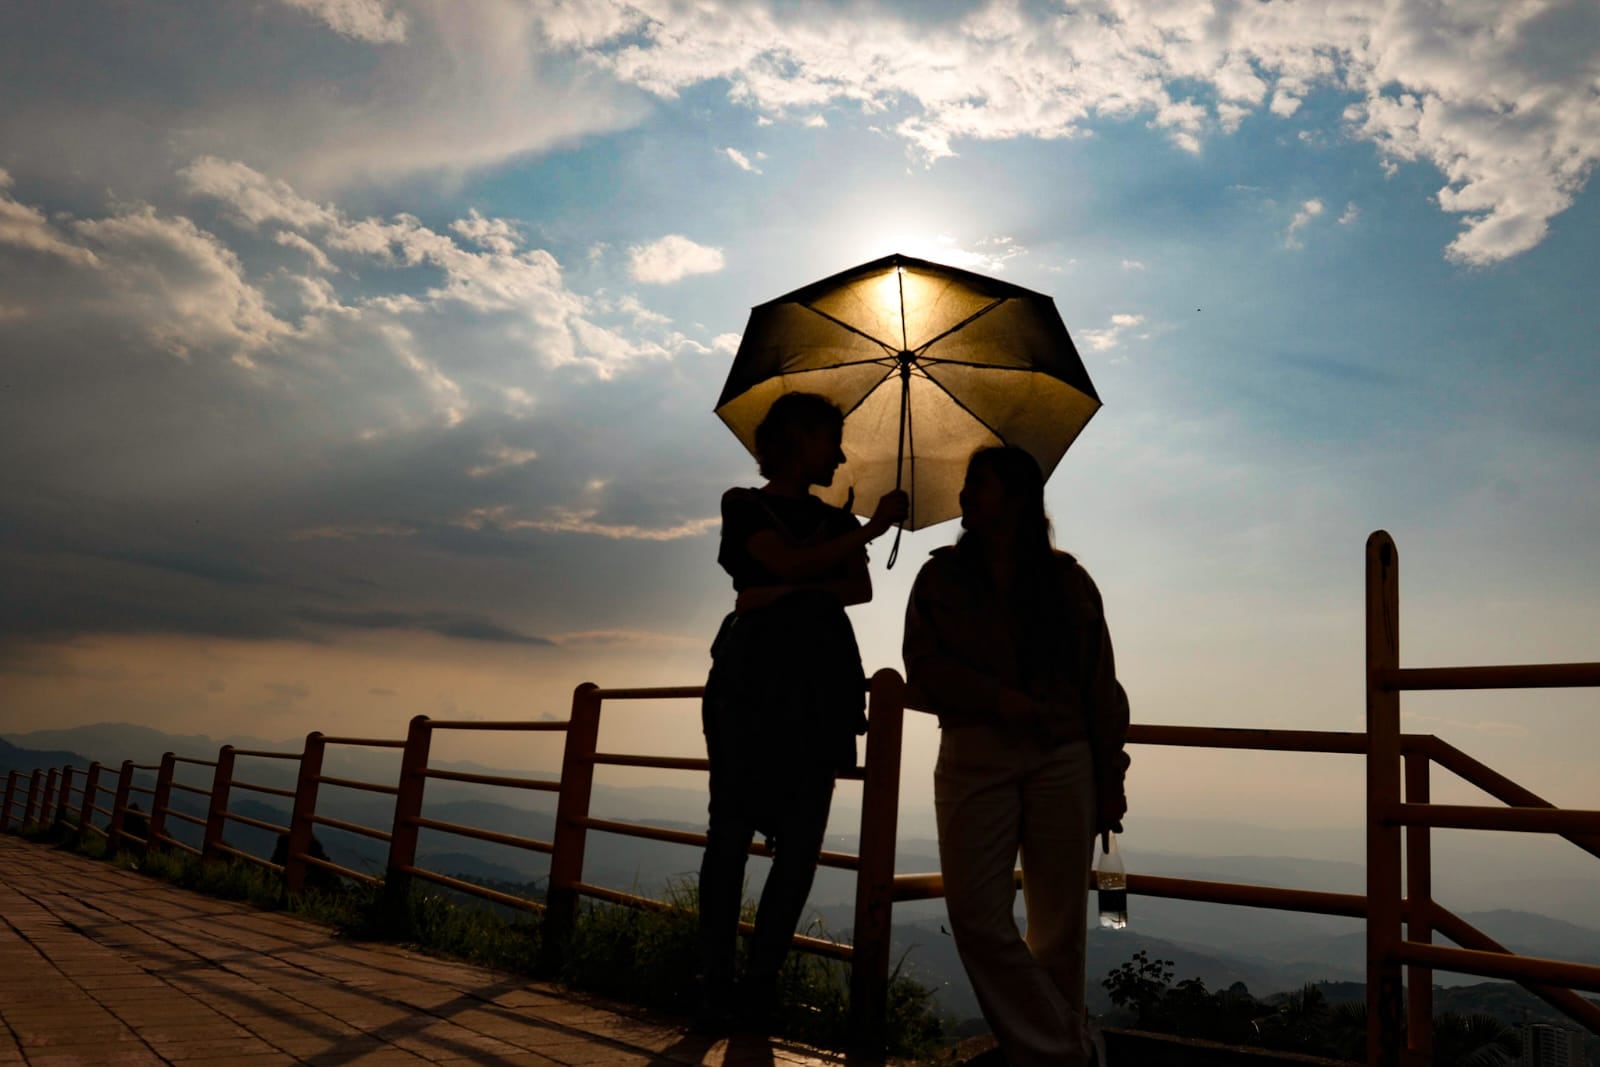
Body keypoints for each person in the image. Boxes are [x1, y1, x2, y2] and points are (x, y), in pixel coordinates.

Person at [902, 445, 1130, 1067]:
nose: (965, 496)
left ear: (1019, 498)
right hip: (976, 751)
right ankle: (1068, 1049)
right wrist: (1002, 701)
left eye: (980, 484)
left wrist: (1111, 776)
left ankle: (1047, 1057)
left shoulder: (1069, 582)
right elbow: (922, 668)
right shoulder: (940, 577)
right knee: (977, 915)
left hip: (1065, 757)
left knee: (1060, 927)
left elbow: (1100, 686)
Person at [697, 391, 909, 1032]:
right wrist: (863, 535)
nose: (841, 454)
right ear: (796, 439)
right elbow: (799, 565)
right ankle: (718, 983)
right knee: (732, 834)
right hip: (757, 687)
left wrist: (777, 591)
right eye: (830, 439)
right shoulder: (745, 503)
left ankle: (753, 986)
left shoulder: (835, 522)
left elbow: (858, 589)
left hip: (813, 688)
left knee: (797, 845)